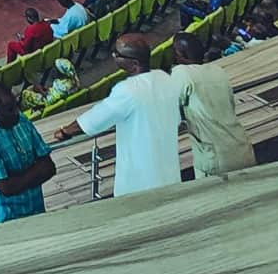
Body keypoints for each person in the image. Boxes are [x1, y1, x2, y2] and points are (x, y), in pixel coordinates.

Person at [53, 33, 182, 196]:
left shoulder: (128, 90)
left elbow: (95, 119)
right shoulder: (165, 78)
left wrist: (66, 131)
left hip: (140, 180)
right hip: (169, 172)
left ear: (134, 64)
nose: (113, 55)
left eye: (118, 54)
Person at [168, 33, 256, 177]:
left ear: (180, 55)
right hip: (243, 149)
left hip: (216, 159)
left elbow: (169, 110)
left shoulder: (181, 73)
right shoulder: (218, 70)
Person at [0, 80, 54, 223]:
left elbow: (49, 168)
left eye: (15, 106)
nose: (15, 112)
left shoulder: (21, 119)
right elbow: (6, 188)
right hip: (5, 215)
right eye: (9, 109)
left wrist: (18, 179)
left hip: (36, 206)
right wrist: (36, 172)